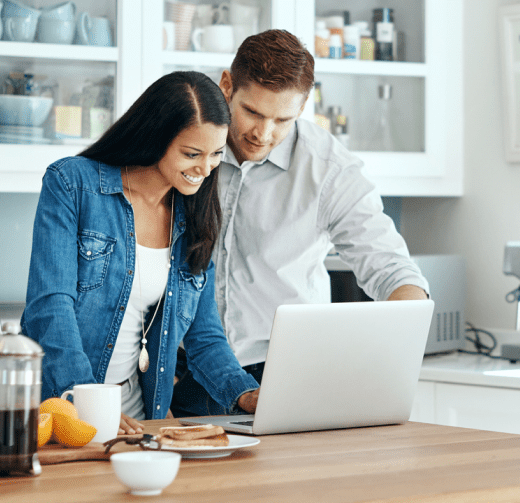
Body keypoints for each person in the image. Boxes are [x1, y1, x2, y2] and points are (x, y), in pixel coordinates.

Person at [171, 30, 430, 417]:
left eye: (283, 120)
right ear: (227, 85)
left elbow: (391, 270)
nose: (264, 133)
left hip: (280, 374)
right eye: (253, 112)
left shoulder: (328, 171)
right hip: (180, 369)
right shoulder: (188, 148)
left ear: (304, 106)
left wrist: (394, 357)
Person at [20, 71, 261, 435]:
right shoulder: (73, 184)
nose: (205, 168)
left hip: (140, 424)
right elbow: (50, 306)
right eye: (191, 154)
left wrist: (248, 394)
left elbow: (204, 335)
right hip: (65, 415)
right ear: (156, 137)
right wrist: (89, 407)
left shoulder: (194, 215)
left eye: (215, 154)